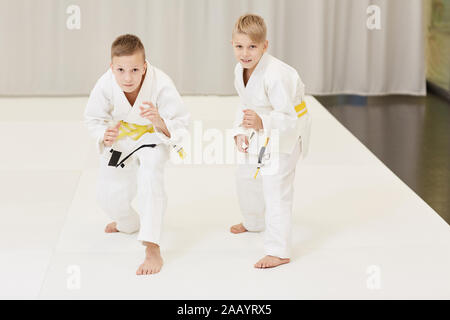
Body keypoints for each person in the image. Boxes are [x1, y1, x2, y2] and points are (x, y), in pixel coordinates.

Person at [84, 34, 189, 275]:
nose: (127, 77)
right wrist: (104, 133)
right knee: (107, 195)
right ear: (112, 67)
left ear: (144, 66)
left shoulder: (161, 83)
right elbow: (92, 118)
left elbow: (182, 122)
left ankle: (152, 247)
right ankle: (128, 223)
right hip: (121, 135)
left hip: (153, 136)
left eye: (134, 69)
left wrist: (159, 120)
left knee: (150, 179)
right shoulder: (105, 82)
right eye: (120, 70)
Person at [230, 14, 312, 268]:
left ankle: (279, 250)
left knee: (275, 188)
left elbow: (289, 116)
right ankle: (253, 221)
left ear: (265, 46)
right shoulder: (240, 69)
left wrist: (263, 122)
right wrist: (241, 131)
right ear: (232, 44)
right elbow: (246, 104)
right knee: (245, 175)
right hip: (261, 126)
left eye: (252, 47)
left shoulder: (277, 75)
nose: (245, 53)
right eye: (240, 46)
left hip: (287, 131)